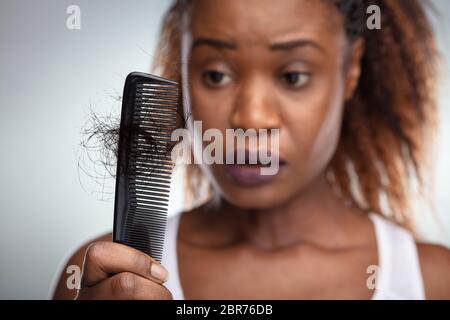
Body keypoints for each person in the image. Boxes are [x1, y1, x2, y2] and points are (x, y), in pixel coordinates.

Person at [53, 0, 450, 299]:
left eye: (293, 76)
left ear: (351, 70)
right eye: (216, 74)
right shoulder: (103, 279)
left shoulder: (433, 282)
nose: (251, 118)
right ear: (184, 67)